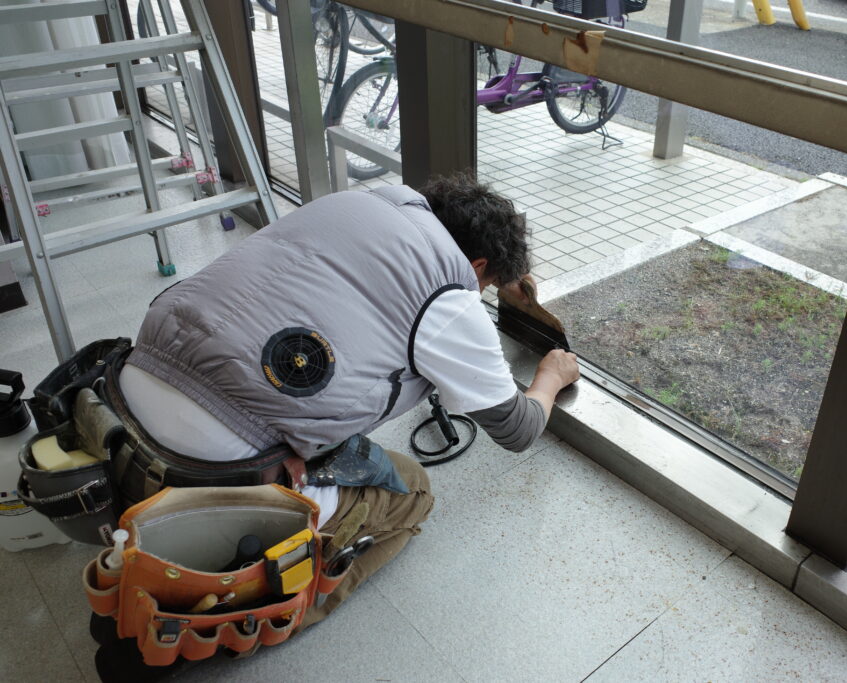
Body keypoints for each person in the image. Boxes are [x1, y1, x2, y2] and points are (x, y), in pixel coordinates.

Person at [113, 172, 579, 629]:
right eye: (487, 285)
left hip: (126, 400)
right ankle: (249, 618)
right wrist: (551, 376)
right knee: (411, 488)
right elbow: (517, 430)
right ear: (477, 267)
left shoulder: (352, 205)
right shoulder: (450, 298)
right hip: (215, 470)